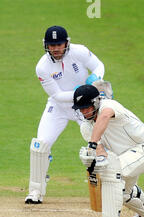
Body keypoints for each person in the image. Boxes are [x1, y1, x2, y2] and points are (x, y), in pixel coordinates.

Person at [25, 26, 105, 204]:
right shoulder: (42, 67)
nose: (55, 49)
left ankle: (114, 188)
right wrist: (83, 91)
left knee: (101, 144)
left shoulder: (80, 51)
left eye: (59, 44)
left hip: (85, 108)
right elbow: (58, 96)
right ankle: (35, 191)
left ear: (66, 43)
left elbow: (99, 66)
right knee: (40, 146)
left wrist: (95, 79)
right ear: (46, 45)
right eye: (51, 45)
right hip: (59, 107)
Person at [74, 84, 144, 217]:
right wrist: (93, 161)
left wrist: (92, 143)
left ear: (95, 102)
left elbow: (105, 116)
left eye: (87, 107)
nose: (84, 112)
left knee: (112, 175)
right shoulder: (86, 127)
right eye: (81, 109)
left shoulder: (109, 105)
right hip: (125, 158)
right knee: (122, 192)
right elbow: (102, 154)